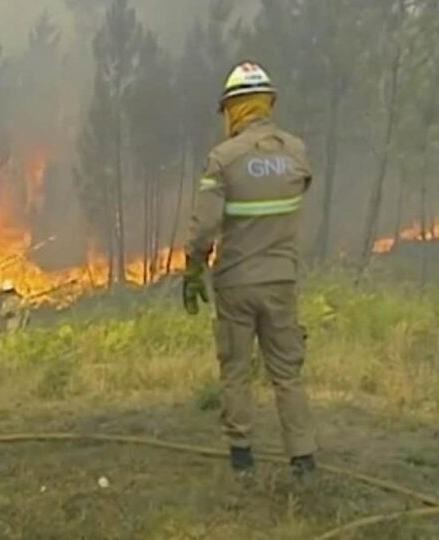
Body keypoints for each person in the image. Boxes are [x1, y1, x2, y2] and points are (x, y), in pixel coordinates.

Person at [183, 61, 317, 479]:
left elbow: (205, 225)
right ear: (267, 103)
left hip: (236, 283)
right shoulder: (296, 153)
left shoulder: (223, 159)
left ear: (233, 108)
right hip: (281, 280)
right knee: (287, 372)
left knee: (236, 369)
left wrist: (193, 267)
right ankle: (303, 458)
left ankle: (242, 458)